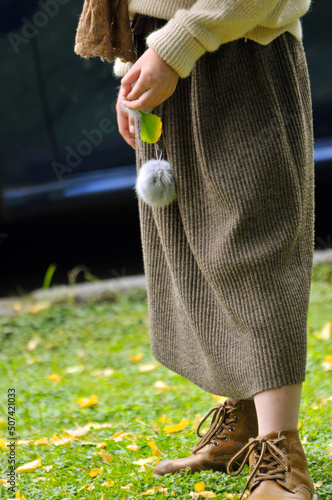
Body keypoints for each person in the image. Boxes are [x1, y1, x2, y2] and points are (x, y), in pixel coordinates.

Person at [75, 2, 317, 499]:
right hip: (166, 59)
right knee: (198, 252)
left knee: (252, 252)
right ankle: (246, 422)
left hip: (242, 55)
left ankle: (283, 461)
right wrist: (134, 71)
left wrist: (173, 48)